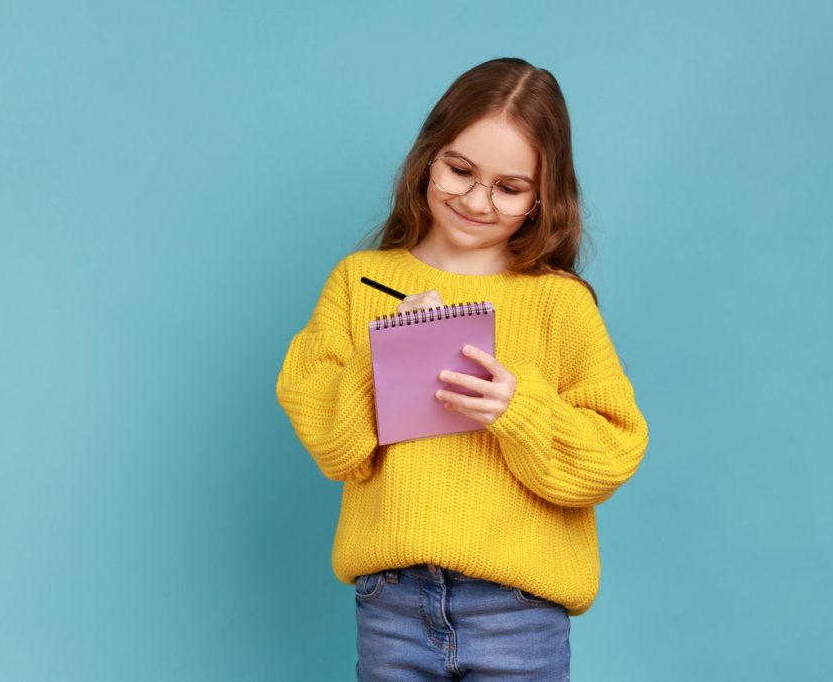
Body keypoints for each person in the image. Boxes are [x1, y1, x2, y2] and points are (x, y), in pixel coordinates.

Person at [276, 57, 648, 681]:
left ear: (542, 197)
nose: (478, 200)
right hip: (391, 601)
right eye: (460, 170)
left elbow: (612, 452)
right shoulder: (360, 281)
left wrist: (518, 410)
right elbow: (334, 448)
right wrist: (384, 351)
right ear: (428, 159)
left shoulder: (559, 302)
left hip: (518, 609)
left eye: (509, 186)